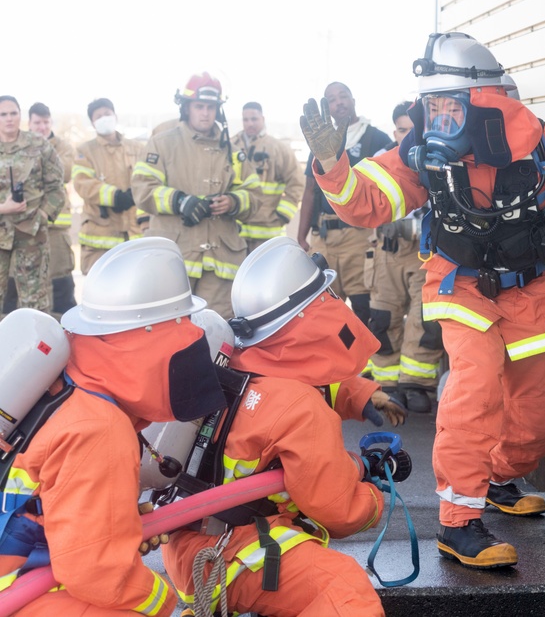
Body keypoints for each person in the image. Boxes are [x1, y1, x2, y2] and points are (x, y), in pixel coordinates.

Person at [300, 32, 545, 569]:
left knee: (541, 418)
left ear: (487, 102)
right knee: (474, 393)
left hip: (539, 290)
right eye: (431, 105)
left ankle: (496, 478)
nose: (437, 117)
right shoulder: (422, 154)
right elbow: (367, 203)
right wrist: (332, 164)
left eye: (448, 106)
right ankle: (458, 521)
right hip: (462, 287)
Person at [162, 236, 404, 616]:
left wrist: (359, 395)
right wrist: (375, 497)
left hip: (189, 543)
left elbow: (302, 369)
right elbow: (335, 508)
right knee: (343, 594)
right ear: (310, 313)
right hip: (231, 553)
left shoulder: (237, 360)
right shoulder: (300, 409)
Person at [0, 237, 228, 615]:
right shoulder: (100, 429)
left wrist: (115, 525)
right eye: (181, 325)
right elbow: (96, 573)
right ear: (152, 342)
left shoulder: (67, 384)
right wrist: (163, 602)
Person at [132, 72, 262, 318]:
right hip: (174, 262)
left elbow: (254, 194)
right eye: (199, 106)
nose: (205, 113)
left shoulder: (233, 151)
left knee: (216, 333)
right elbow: (142, 187)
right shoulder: (162, 143)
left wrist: (233, 202)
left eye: (211, 107)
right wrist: (179, 201)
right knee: (168, 332)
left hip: (221, 265)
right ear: (186, 107)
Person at [367, 101, 444, 413]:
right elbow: (366, 202)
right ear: (393, 131)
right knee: (383, 318)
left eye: (412, 130)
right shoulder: (379, 162)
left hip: (423, 252)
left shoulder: (437, 159)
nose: (406, 136)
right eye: (401, 130)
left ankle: (415, 383)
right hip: (387, 252)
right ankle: (386, 385)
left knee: (425, 319)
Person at [296, 82, 391, 326]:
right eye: (332, 100)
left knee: (363, 306)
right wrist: (301, 236)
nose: (339, 102)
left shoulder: (375, 137)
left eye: (343, 96)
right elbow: (310, 189)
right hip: (324, 236)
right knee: (323, 308)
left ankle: (367, 363)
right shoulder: (321, 142)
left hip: (359, 237)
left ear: (353, 99)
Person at [3, 103, 77, 317]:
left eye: (13, 113)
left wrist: (42, 216)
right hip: (9, 234)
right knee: (10, 297)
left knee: (47, 297)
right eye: (3, 114)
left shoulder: (48, 146)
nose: (9, 118)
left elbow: (60, 181)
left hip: (43, 233)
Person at [72, 98, 146, 274]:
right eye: (99, 116)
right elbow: (82, 183)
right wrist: (115, 196)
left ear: (115, 116)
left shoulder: (137, 148)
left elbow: (148, 179)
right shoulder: (85, 151)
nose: (105, 118)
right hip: (100, 236)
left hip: (134, 232)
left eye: (108, 114)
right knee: (101, 294)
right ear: (93, 122)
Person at [232, 102, 304, 253]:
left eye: (254, 119)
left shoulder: (279, 148)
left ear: (263, 119)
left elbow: (297, 183)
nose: (249, 123)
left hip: (268, 233)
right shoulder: (231, 146)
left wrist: (282, 215)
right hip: (234, 233)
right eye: (245, 120)